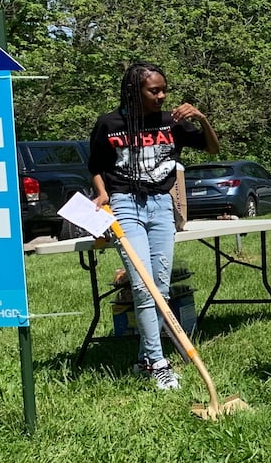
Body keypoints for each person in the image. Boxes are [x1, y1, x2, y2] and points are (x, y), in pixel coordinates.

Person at [88, 61, 218, 390]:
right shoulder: (109, 124)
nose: (161, 96)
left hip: (161, 206)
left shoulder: (170, 123)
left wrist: (201, 119)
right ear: (135, 90)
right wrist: (102, 194)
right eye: (154, 90)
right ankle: (158, 362)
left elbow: (213, 147)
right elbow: (96, 166)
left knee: (160, 288)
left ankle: (146, 359)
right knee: (143, 285)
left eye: (164, 90)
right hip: (124, 205)